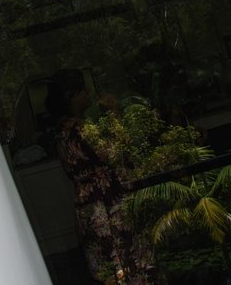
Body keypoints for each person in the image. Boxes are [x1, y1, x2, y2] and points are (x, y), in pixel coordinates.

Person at [46, 70, 153, 285]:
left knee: (107, 269)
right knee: (128, 260)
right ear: (73, 96)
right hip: (107, 206)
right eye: (83, 90)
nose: (88, 93)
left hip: (87, 207)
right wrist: (114, 112)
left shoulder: (61, 131)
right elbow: (116, 152)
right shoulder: (80, 129)